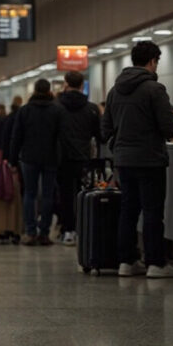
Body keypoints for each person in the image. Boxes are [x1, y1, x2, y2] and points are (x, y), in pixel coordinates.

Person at [102, 41, 173, 278]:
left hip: (124, 161)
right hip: (150, 159)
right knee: (152, 212)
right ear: (152, 61)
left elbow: (105, 128)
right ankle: (155, 264)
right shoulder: (154, 89)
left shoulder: (115, 90)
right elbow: (169, 128)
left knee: (128, 210)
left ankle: (127, 262)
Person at [9, 79, 65, 246]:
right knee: (48, 195)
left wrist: (12, 160)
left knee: (30, 194)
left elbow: (16, 136)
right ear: (49, 91)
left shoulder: (24, 111)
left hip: (29, 158)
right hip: (51, 158)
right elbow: (62, 137)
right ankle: (45, 233)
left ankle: (31, 232)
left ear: (34, 90)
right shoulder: (57, 110)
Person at [56, 71, 101, 246]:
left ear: (66, 84)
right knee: (82, 193)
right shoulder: (91, 108)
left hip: (62, 157)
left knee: (65, 194)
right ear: (82, 85)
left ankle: (68, 230)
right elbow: (99, 134)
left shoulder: (57, 107)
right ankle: (84, 228)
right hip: (84, 157)